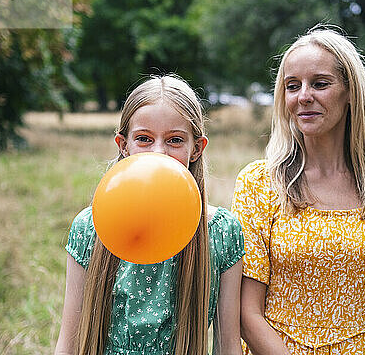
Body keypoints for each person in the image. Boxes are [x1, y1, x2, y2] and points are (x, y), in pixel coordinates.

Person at [232, 27, 365, 354]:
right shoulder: (259, 183)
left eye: (320, 84)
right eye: (293, 86)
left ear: (350, 92)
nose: (303, 96)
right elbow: (247, 312)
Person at [55, 75, 245, 355]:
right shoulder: (90, 228)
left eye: (174, 140)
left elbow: (228, 345)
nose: (158, 152)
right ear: (123, 145)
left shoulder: (221, 233)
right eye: (143, 139)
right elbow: (68, 344)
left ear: (196, 148)